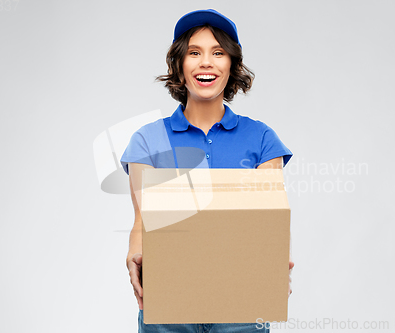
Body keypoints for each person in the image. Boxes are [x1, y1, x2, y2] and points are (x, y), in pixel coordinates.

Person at [120, 9, 294, 332]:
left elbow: (270, 218)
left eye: (218, 52)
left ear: (232, 65)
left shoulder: (262, 139)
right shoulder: (147, 141)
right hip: (169, 305)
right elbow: (142, 223)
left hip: (241, 306)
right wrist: (135, 250)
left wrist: (275, 260)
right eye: (194, 53)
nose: (206, 62)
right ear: (179, 66)